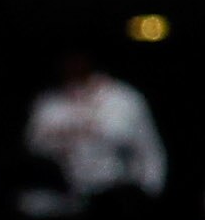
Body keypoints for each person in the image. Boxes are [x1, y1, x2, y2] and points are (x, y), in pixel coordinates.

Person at [28, 49, 167, 206]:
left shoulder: (123, 99)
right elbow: (34, 145)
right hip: (68, 198)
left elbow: (148, 149)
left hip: (117, 194)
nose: (72, 65)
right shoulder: (48, 103)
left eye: (77, 59)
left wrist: (150, 192)